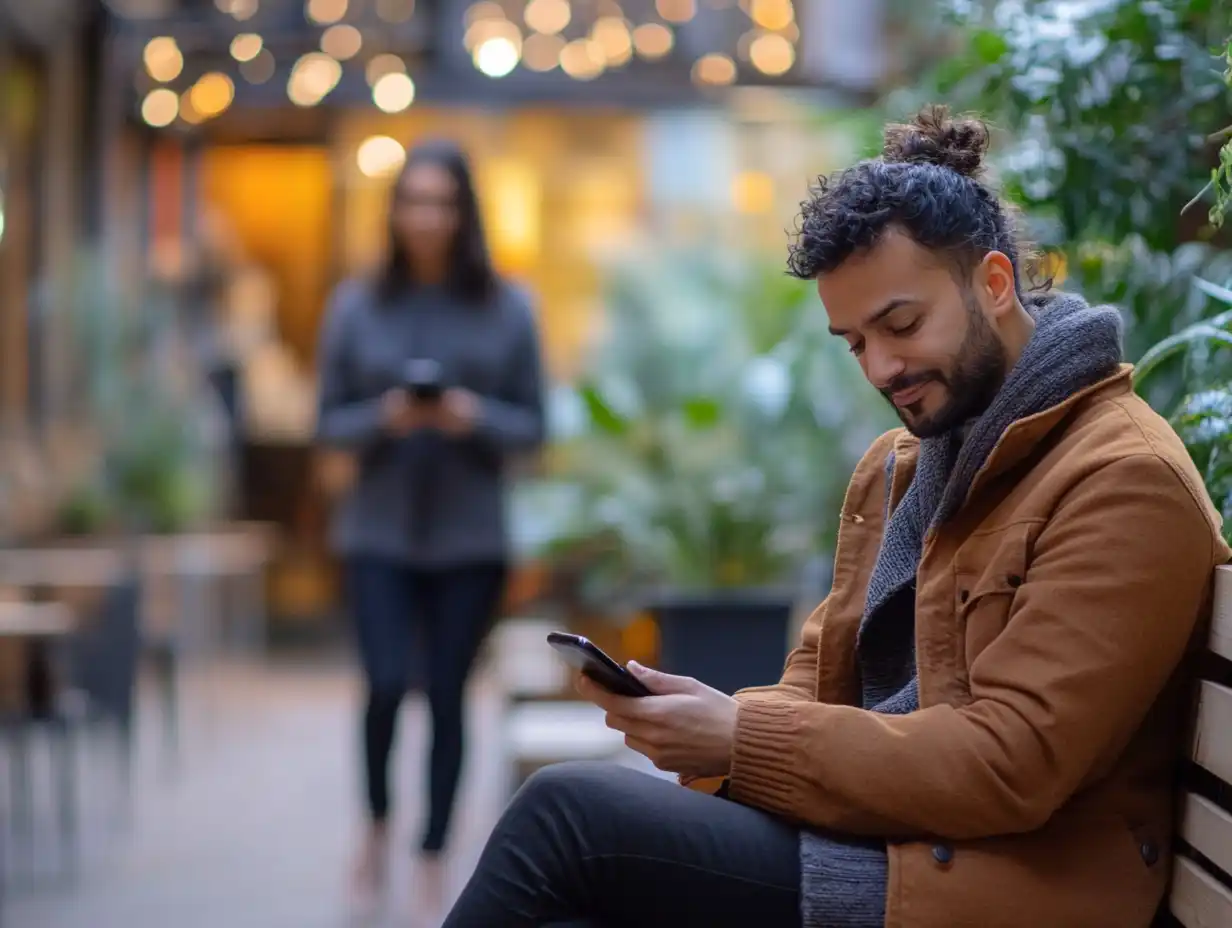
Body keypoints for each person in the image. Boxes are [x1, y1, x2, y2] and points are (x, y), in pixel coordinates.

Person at [441, 106, 1231, 928]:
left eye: (901, 324)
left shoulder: (1121, 477)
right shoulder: (908, 464)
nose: (882, 366)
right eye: (854, 342)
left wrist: (739, 740)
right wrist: (713, 719)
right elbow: (815, 686)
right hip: (893, 846)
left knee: (571, 818)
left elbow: (1013, 763)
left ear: (995, 285)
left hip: (999, 882)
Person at [315, 139, 546, 919]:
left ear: (464, 212)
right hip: (376, 530)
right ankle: (377, 824)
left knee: (447, 696)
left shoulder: (507, 305)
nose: (426, 217)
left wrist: (471, 416)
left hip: (469, 537)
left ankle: (431, 855)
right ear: (394, 209)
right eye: (413, 200)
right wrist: (383, 417)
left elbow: (534, 429)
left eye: (442, 202)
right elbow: (328, 425)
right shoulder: (356, 303)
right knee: (383, 687)